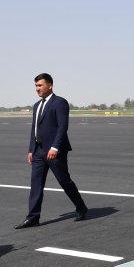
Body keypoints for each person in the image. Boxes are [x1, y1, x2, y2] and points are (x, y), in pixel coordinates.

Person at [15, 73, 88, 229]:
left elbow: (62, 127)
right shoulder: (36, 106)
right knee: (36, 184)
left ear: (50, 85)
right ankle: (33, 217)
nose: (37, 88)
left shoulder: (60, 102)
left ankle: (81, 207)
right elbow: (34, 129)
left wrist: (55, 147)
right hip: (38, 151)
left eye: (40, 85)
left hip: (55, 151)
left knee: (64, 181)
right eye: (36, 86)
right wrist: (31, 149)